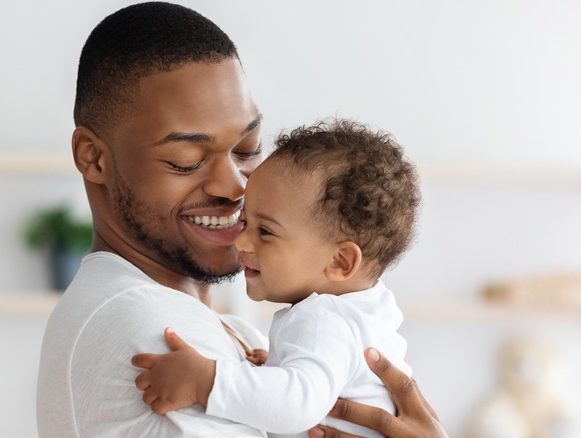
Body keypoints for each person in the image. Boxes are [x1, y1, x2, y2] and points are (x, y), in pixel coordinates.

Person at [36, 2, 447, 437]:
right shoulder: (149, 328)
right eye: (185, 160)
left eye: (247, 148)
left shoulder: (244, 337)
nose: (235, 188)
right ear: (93, 157)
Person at [131, 119, 419, 437]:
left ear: (340, 261)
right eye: (244, 222)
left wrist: (206, 381)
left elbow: (297, 406)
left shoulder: (325, 318)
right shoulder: (367, 310)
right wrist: (279, 369)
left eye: (265, 231)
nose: (240, 242)